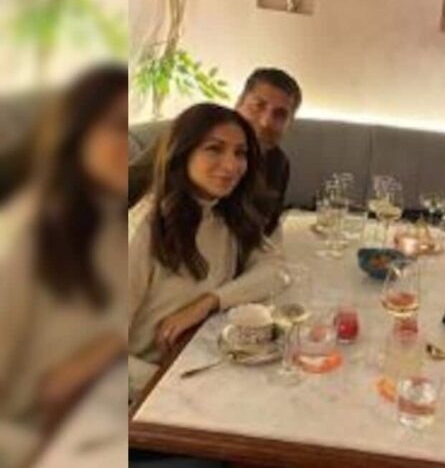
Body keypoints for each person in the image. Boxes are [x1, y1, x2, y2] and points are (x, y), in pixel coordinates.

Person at [0, 65, 128, 467]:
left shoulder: (109, 221)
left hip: (95, 413)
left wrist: (98, 355)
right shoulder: (24, 238)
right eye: (118, 126)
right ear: (76, 132)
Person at [128, 103, 284, 398]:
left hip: (202, 361)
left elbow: (275, 270)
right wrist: (171, 386)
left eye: (240, 153)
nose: (231, 165)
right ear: (181, 152)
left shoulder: (225, 213)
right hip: (146, 392)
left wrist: (209, 302)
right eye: (214, 149)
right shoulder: (143, 231)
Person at [129, 67, 302, 235]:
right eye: (258, 106)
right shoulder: (190, 137)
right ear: (239, 104)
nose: (265, 122)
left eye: (280, 114)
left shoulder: (278, 164)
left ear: (290, 123)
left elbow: (266, 229)